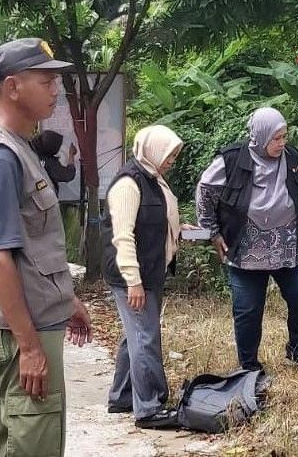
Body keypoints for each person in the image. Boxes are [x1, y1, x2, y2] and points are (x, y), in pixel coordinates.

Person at [0, 38, 93, 457]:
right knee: (30, 444)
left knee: (8, 440)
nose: (56, 89)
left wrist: (66, 298)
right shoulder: (1, 156)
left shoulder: (20, 149)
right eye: (47, 80)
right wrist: (31, 347)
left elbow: (34, 246)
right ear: (13, 87)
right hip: (24, 331)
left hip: (35, 321)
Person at [196, 107, 298, 372]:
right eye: (276, 138)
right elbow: (205, 190)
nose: (282, 143)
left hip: (289, 246)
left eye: (284, 136)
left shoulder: (292, 158)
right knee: (248, 309)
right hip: (247, 249)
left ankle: (297, 352)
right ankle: (249, 366)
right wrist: (212, 231)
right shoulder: (233, 159)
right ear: (260, 136)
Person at [102, 124, 195, 429]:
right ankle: (150, 408)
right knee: (145, 336)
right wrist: (134, 281)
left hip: (150, 270)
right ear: (153, 150)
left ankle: (123, 395)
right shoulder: (129, 184)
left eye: (175, 154)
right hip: (133, 274)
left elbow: (157, 220)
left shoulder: (154, 179)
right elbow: (123, 237)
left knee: (137, 335)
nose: (173, 160)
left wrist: (181, 230)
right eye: (169, 154)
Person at [31, 130, 77, 195]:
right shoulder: (46, 162)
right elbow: (68, 175)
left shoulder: (29, 148)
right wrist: (71, 155)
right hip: (42, 199)